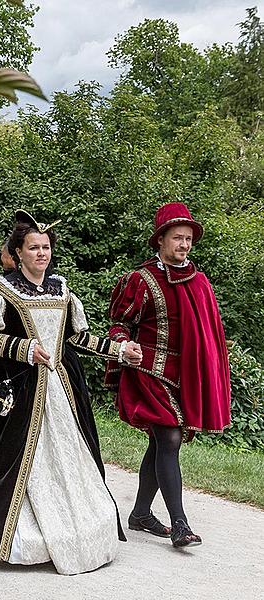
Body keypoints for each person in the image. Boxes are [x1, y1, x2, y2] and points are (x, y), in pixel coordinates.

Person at [0, 210, 143, 575]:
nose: (42, 253)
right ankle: (14, 537)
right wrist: (24, 350)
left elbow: (75, 338)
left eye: (46, 247)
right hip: (19, 394)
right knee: (2, 464)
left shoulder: (61, 289)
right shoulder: (1, 291)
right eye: (34, 247)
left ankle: (78, 528)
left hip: (60, 394)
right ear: (17, 252)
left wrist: (119, 351)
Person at [105, 202, 231, 548]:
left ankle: (141, 514)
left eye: (189, 238)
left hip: (184, 374)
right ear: (160, 240)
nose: (185, 244)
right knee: (170, 439)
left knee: (160, 443)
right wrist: (123, 343)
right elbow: (119, 324)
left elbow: (209, 333)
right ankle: (180, 524)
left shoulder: (200, 282)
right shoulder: (140, 280)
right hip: (148, 369)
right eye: (178, 237)